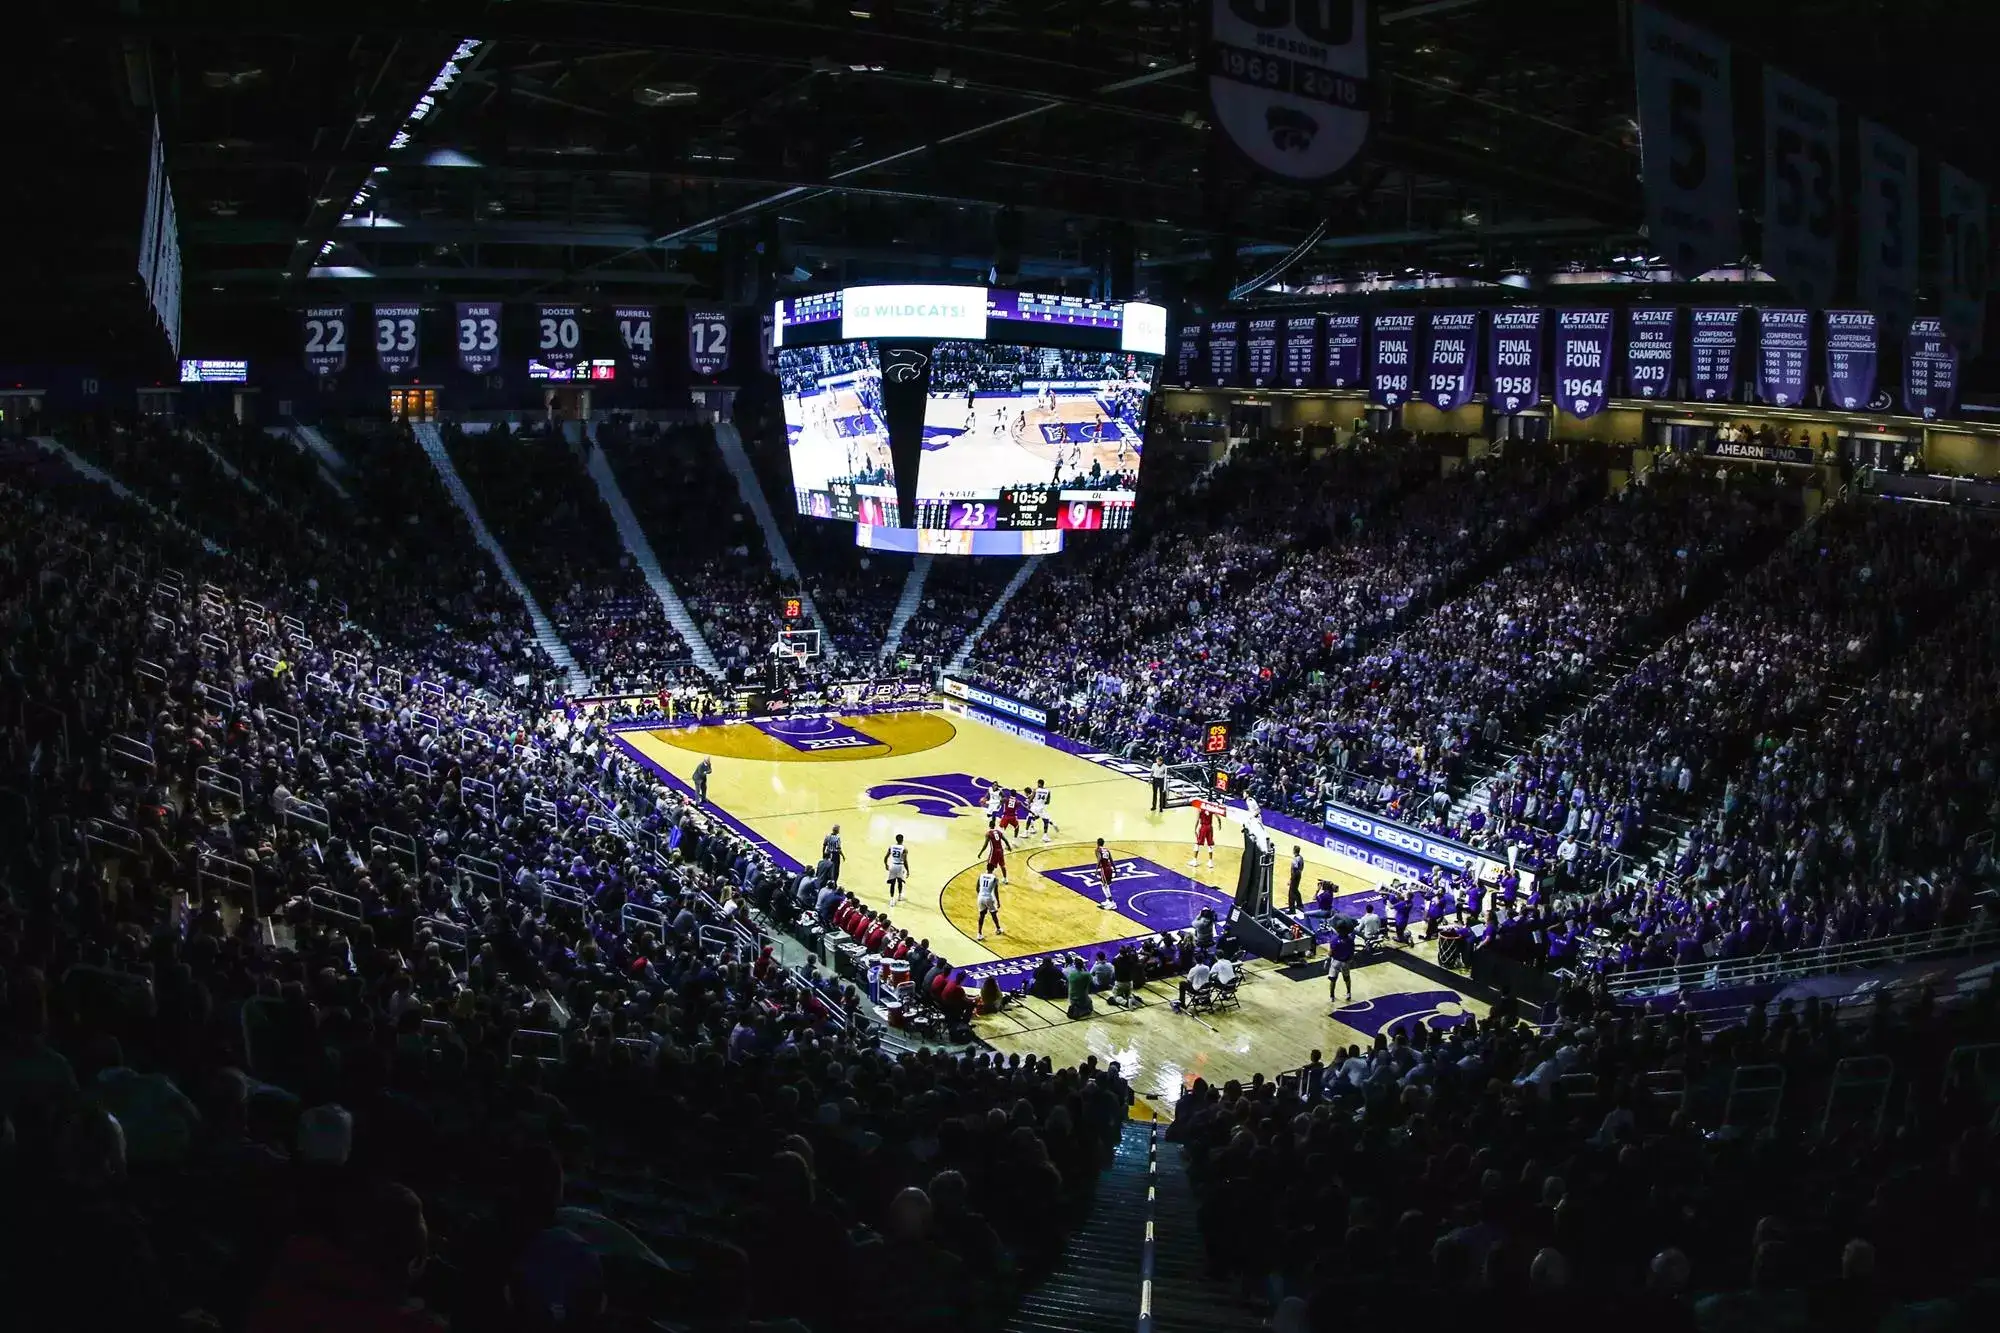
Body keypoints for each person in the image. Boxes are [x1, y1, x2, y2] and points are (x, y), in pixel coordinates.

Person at [1326, 925, 1355, 1009]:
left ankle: (1332, 996)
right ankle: (1348, 993)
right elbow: (1352, 951)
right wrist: (1350, 959)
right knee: (1347, 978)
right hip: (1345, 962)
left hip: (1336, 962)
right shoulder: (1350, 940)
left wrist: (1328, 956)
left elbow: (1331, 953)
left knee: (1333, 980)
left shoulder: (1334, 940)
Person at [1188, 799, 1218, 872]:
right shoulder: (1211, 808)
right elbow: (1218, 817)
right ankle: (1210, 862)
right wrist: (1219, 824)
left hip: (1203, 827)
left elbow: (1197, 819)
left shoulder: (1200, 809)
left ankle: (1194, 860)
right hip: (1210, 827)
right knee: (1210, 844)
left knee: (1197, 843)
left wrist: (1195, 828)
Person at [975, 868, 1002, 941]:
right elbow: (995, 891)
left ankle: (979, 934)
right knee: (993, 914)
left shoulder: (981, 876)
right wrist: (998, 901)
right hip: (988, 898)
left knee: (981, 915)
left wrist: (981, 895)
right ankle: (998, 929)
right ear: (993, 869)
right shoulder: (994, 878)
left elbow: (977, 888)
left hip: (980, 897)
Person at [982, 818, 1012, 885]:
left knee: (990, 865)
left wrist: (980, 853)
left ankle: (989, 880)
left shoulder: (988, 833)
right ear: (994, 825)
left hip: (994, 851)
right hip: (1001, 850)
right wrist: (1009, 847)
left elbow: (985, 845)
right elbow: (1006, 840)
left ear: (989, 825)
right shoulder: (999, 832)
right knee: (1002, 865)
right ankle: (1005, 879)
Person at [883, 834, 910, 905]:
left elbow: (885, 857)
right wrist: (907, 870)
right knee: (900, 882)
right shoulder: (904, 849)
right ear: (902, 839)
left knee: (892, 883)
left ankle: (892, 900)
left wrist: (886, 864)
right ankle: (900, 896)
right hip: (900, 866)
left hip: (893, 865)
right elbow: (905, 861)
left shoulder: (891, 847)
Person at [1029, 778, 1057, 843]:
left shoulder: (1035, 790)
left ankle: (1029, 830)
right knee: (1046, 821)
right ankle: (1045, 836)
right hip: (1041, 808)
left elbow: (1030, 799)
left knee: (1031, 818)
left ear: (1038, 784)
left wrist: (1030, 803)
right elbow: (1047, 802)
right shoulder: (1048, 791)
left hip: (1034, 807)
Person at [1094, 837, 1117, 910]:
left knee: (1104, 886)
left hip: (1104, 869)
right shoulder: (1107, 850)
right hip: (1109, 868)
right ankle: (1108, 900)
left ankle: (1112, 903)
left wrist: (1096, 869)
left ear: (1097, 843)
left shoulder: (1097, 850)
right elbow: (1111, 860)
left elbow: (1099, 859)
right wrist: (1115, 870)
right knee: (1105, 885)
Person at [1287, 845, 1305, 912]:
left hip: (1295, 876)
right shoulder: (1301, 858)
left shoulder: (1295, 859)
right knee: (1295, 890)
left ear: (1294, 851)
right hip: (1299, 875)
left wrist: (1291, 879)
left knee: (1291, 893)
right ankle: (1299, 904)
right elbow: (1302, 867)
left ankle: (1292, 909)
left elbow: (1294, 870)